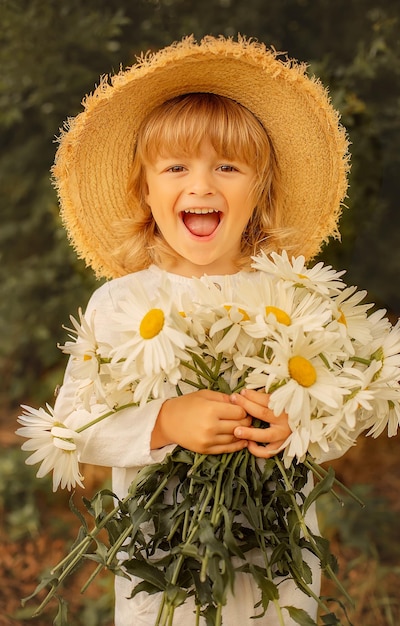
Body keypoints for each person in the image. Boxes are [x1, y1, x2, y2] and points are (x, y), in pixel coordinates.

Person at [51, 35, 350, 625]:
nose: (202, 185)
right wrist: (165, 421)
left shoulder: (292, 295)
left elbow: (338, 421)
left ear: (259, 190)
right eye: (176, 167)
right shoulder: (121, 302)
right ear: (144, 187)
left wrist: (297, 424)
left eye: (228, 167)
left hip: (276, 555)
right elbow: (74, 427)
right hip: (162, 561)